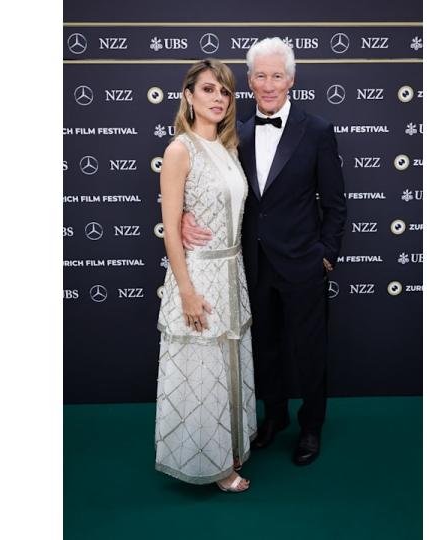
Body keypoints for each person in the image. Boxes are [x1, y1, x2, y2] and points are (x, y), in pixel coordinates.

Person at [182, 38, 347, 467]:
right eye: (260, 76)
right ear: (249, 81)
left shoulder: (317, 130)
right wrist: (183, 217)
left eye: (277, 75)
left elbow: (335, 203)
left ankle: (311, 426)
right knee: (265, 349)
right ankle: (273, 417)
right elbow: (213, 186)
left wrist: (325, 256)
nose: (268, 84)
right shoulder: (236, 134)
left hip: (304, 264)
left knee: (310, 350)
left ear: (291, 80)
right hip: (252, 264)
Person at [154, 59, 256, 493]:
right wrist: (187, 292)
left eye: (225, 92)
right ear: (189, 95)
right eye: (209, 89)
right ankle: (213, 467)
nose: (218, 98)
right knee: (202, 371)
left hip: (233, 271)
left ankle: (227, 447)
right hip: (198, 275)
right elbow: (171, 229)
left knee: (227, 366)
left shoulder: (229, 148)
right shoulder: (180, 149)